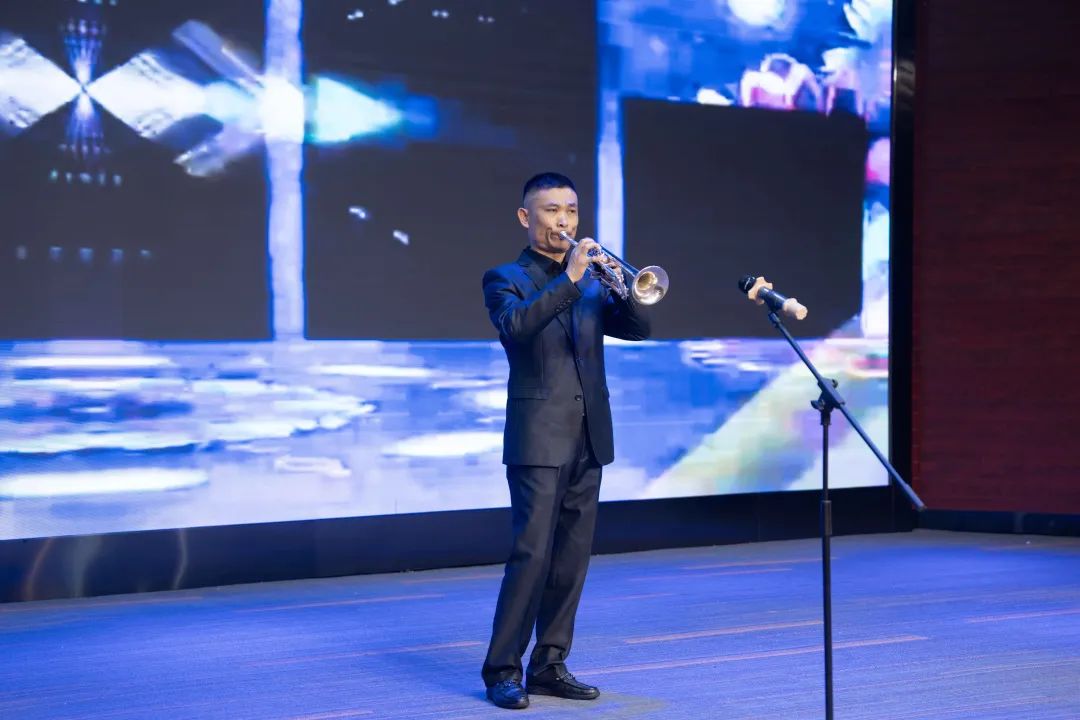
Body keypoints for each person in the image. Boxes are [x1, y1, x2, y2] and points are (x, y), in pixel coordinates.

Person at [480, 172, 652, 709]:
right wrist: (572, 279)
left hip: (589, 436)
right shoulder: (505, 278)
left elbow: (639, 330)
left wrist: (620, 287)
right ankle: (502, 670)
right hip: (538, 439)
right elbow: (516, 328)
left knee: (571, 561)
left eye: (571, 210)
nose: (564, 221)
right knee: (531, 556)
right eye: (552, 210)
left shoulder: (591, 281)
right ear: (525, 217)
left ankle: (549, 664)